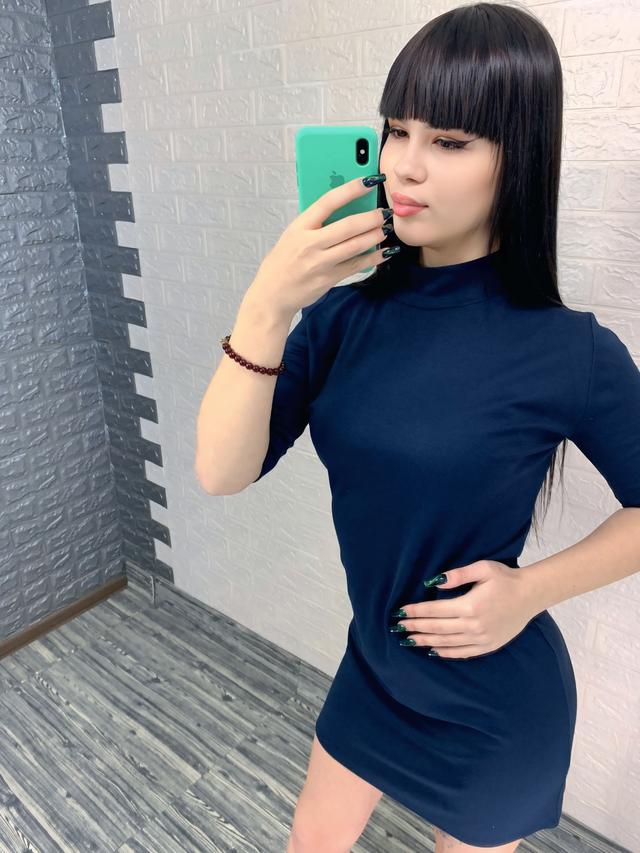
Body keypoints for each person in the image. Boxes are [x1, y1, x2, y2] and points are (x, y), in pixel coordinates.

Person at [195, 3, 640, 851]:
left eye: (450, 141)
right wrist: (267, 305)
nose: (405, 164)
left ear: (520, 156)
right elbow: (221, 471)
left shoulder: (569, 350)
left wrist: (529, 591)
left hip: (494, 700)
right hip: (375, 665)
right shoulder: (342, 317)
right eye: (397, 130)